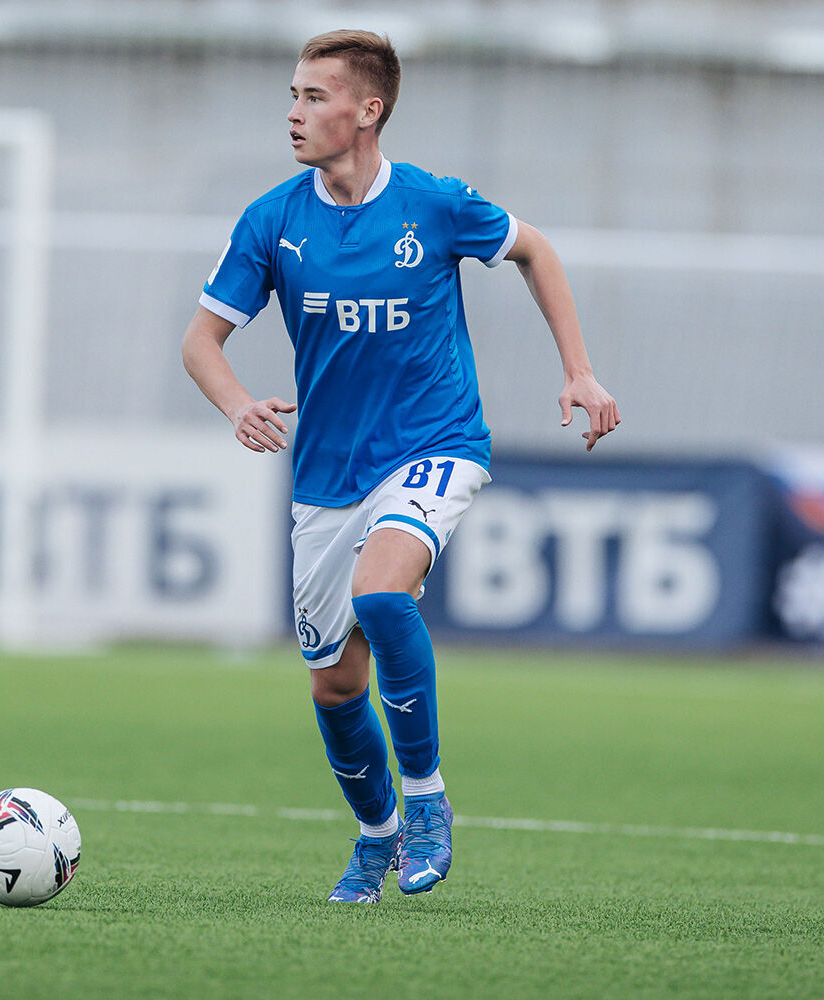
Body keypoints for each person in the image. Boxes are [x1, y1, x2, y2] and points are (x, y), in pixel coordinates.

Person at [181, 29, 619, 902]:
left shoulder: (434, 204)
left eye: (314, 96)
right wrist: (238, 406)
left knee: (384, 594)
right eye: (293, 95)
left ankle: (426, 801)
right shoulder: (273, 219)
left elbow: (536, 250)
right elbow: (201, 341)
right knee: (336, 686)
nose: (294, 112)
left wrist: (579, 369)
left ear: (367, 111)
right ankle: (377, 835)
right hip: (326, 476)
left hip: (436, 443)